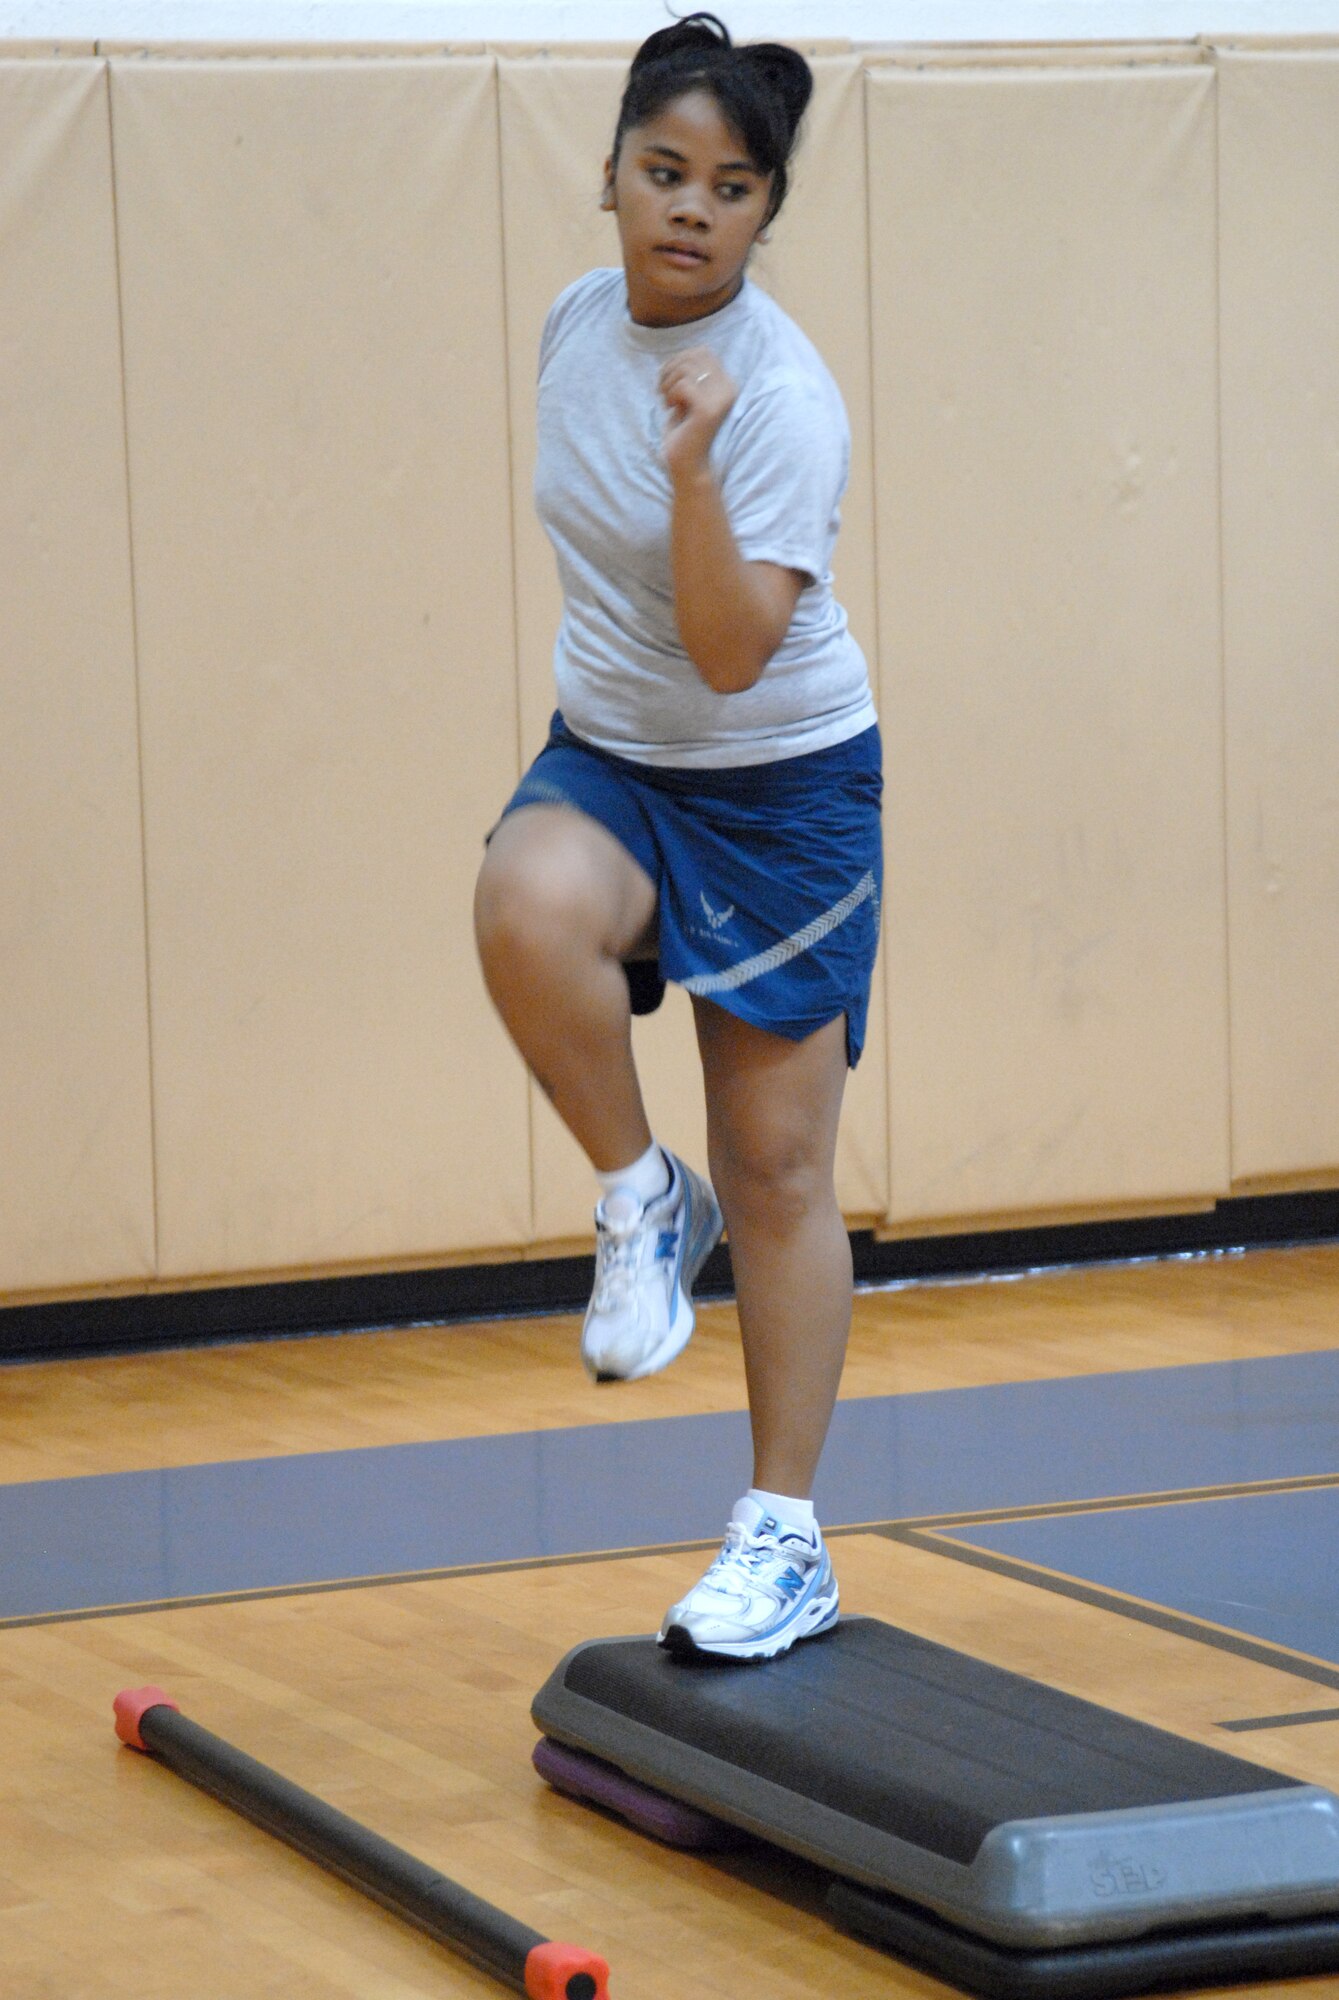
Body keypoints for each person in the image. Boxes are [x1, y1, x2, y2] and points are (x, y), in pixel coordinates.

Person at [474, 12, 881, 1662]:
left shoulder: (782, 400)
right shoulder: (579, 320)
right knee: (521, 905)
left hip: (780, 785)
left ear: (764, 213)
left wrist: (699, 470)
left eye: (730, 186)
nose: (691, 207)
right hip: (620, 763)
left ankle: (782, 1540)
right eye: (664, 171)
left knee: (780, 1168)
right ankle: (641, 1198)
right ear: (615, 175)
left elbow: (730, 652)